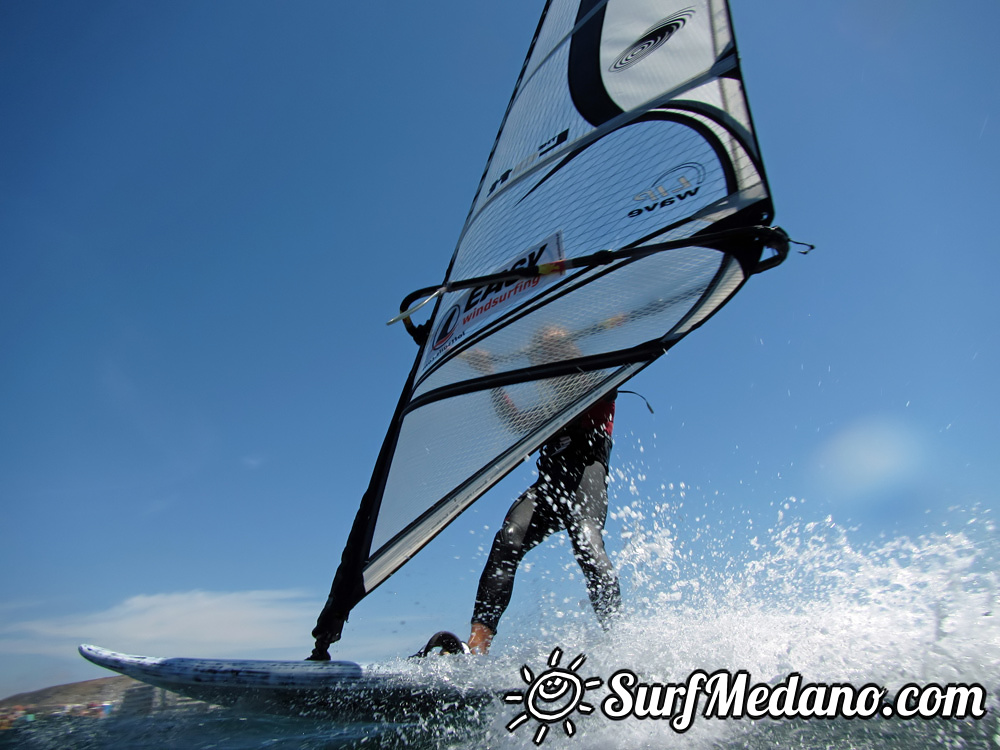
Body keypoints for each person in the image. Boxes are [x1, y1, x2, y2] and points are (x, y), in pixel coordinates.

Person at [463, 326, 621, 655]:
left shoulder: (597, 382)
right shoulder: (548, 408)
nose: (550, 356)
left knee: (585, 541)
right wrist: (491, 372)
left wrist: (561, 347)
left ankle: (619, 641)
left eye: (558, 347)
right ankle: (477, 647)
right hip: (548, 488)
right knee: (508, 539)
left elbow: (608, 382)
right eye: (543, 352)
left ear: (572, 348)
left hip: (585, 480)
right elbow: (516, 420)